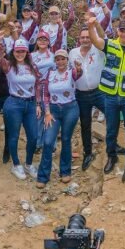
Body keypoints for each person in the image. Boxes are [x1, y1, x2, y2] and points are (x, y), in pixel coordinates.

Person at [87, 14, 125, 174]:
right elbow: (95, 40)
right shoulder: (111, 45)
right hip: (111, 96)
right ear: (118, 31)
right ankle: (111, 156)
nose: (124, 34)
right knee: (111, 129)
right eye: (122, 30)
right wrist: (90, 26)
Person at [0, 38, 40, 180]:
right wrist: (0, 43)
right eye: (17, 51)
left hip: (31, 103)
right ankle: (15, 164)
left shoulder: (32, 66)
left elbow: (38, 85)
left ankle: (28, 163)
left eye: (22, 51)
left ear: (27, 52)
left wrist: (38, 103)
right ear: (13, 52)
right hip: (14, 103)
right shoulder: (9, 66)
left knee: (33, 136)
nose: (20, 53)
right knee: (13, 135)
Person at [37, 50, 83, 187]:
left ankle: (65, 171)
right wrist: (47, 112)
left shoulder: (71, 72)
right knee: (48, 141)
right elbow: (45, 94)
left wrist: (79, 68)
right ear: (55, 61)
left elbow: (78, 74)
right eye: (57, 59)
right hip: (53, 111)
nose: (60, 62)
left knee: (66, 139)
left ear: (67, 60)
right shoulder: (50, 74)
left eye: (63, 59)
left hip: (70, 108)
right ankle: (43, 175)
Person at [69, 27, 106, 171]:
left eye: (88, 37)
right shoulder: (72, 53)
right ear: (79, 38)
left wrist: (95, 25)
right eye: (82, 37)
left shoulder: (99, 50)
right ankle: (88, 153)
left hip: (99, 91)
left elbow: (103, 36)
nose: (85, 39)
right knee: (85, 124)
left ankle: (113, 145)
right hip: (81, 94)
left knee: (111, 115)